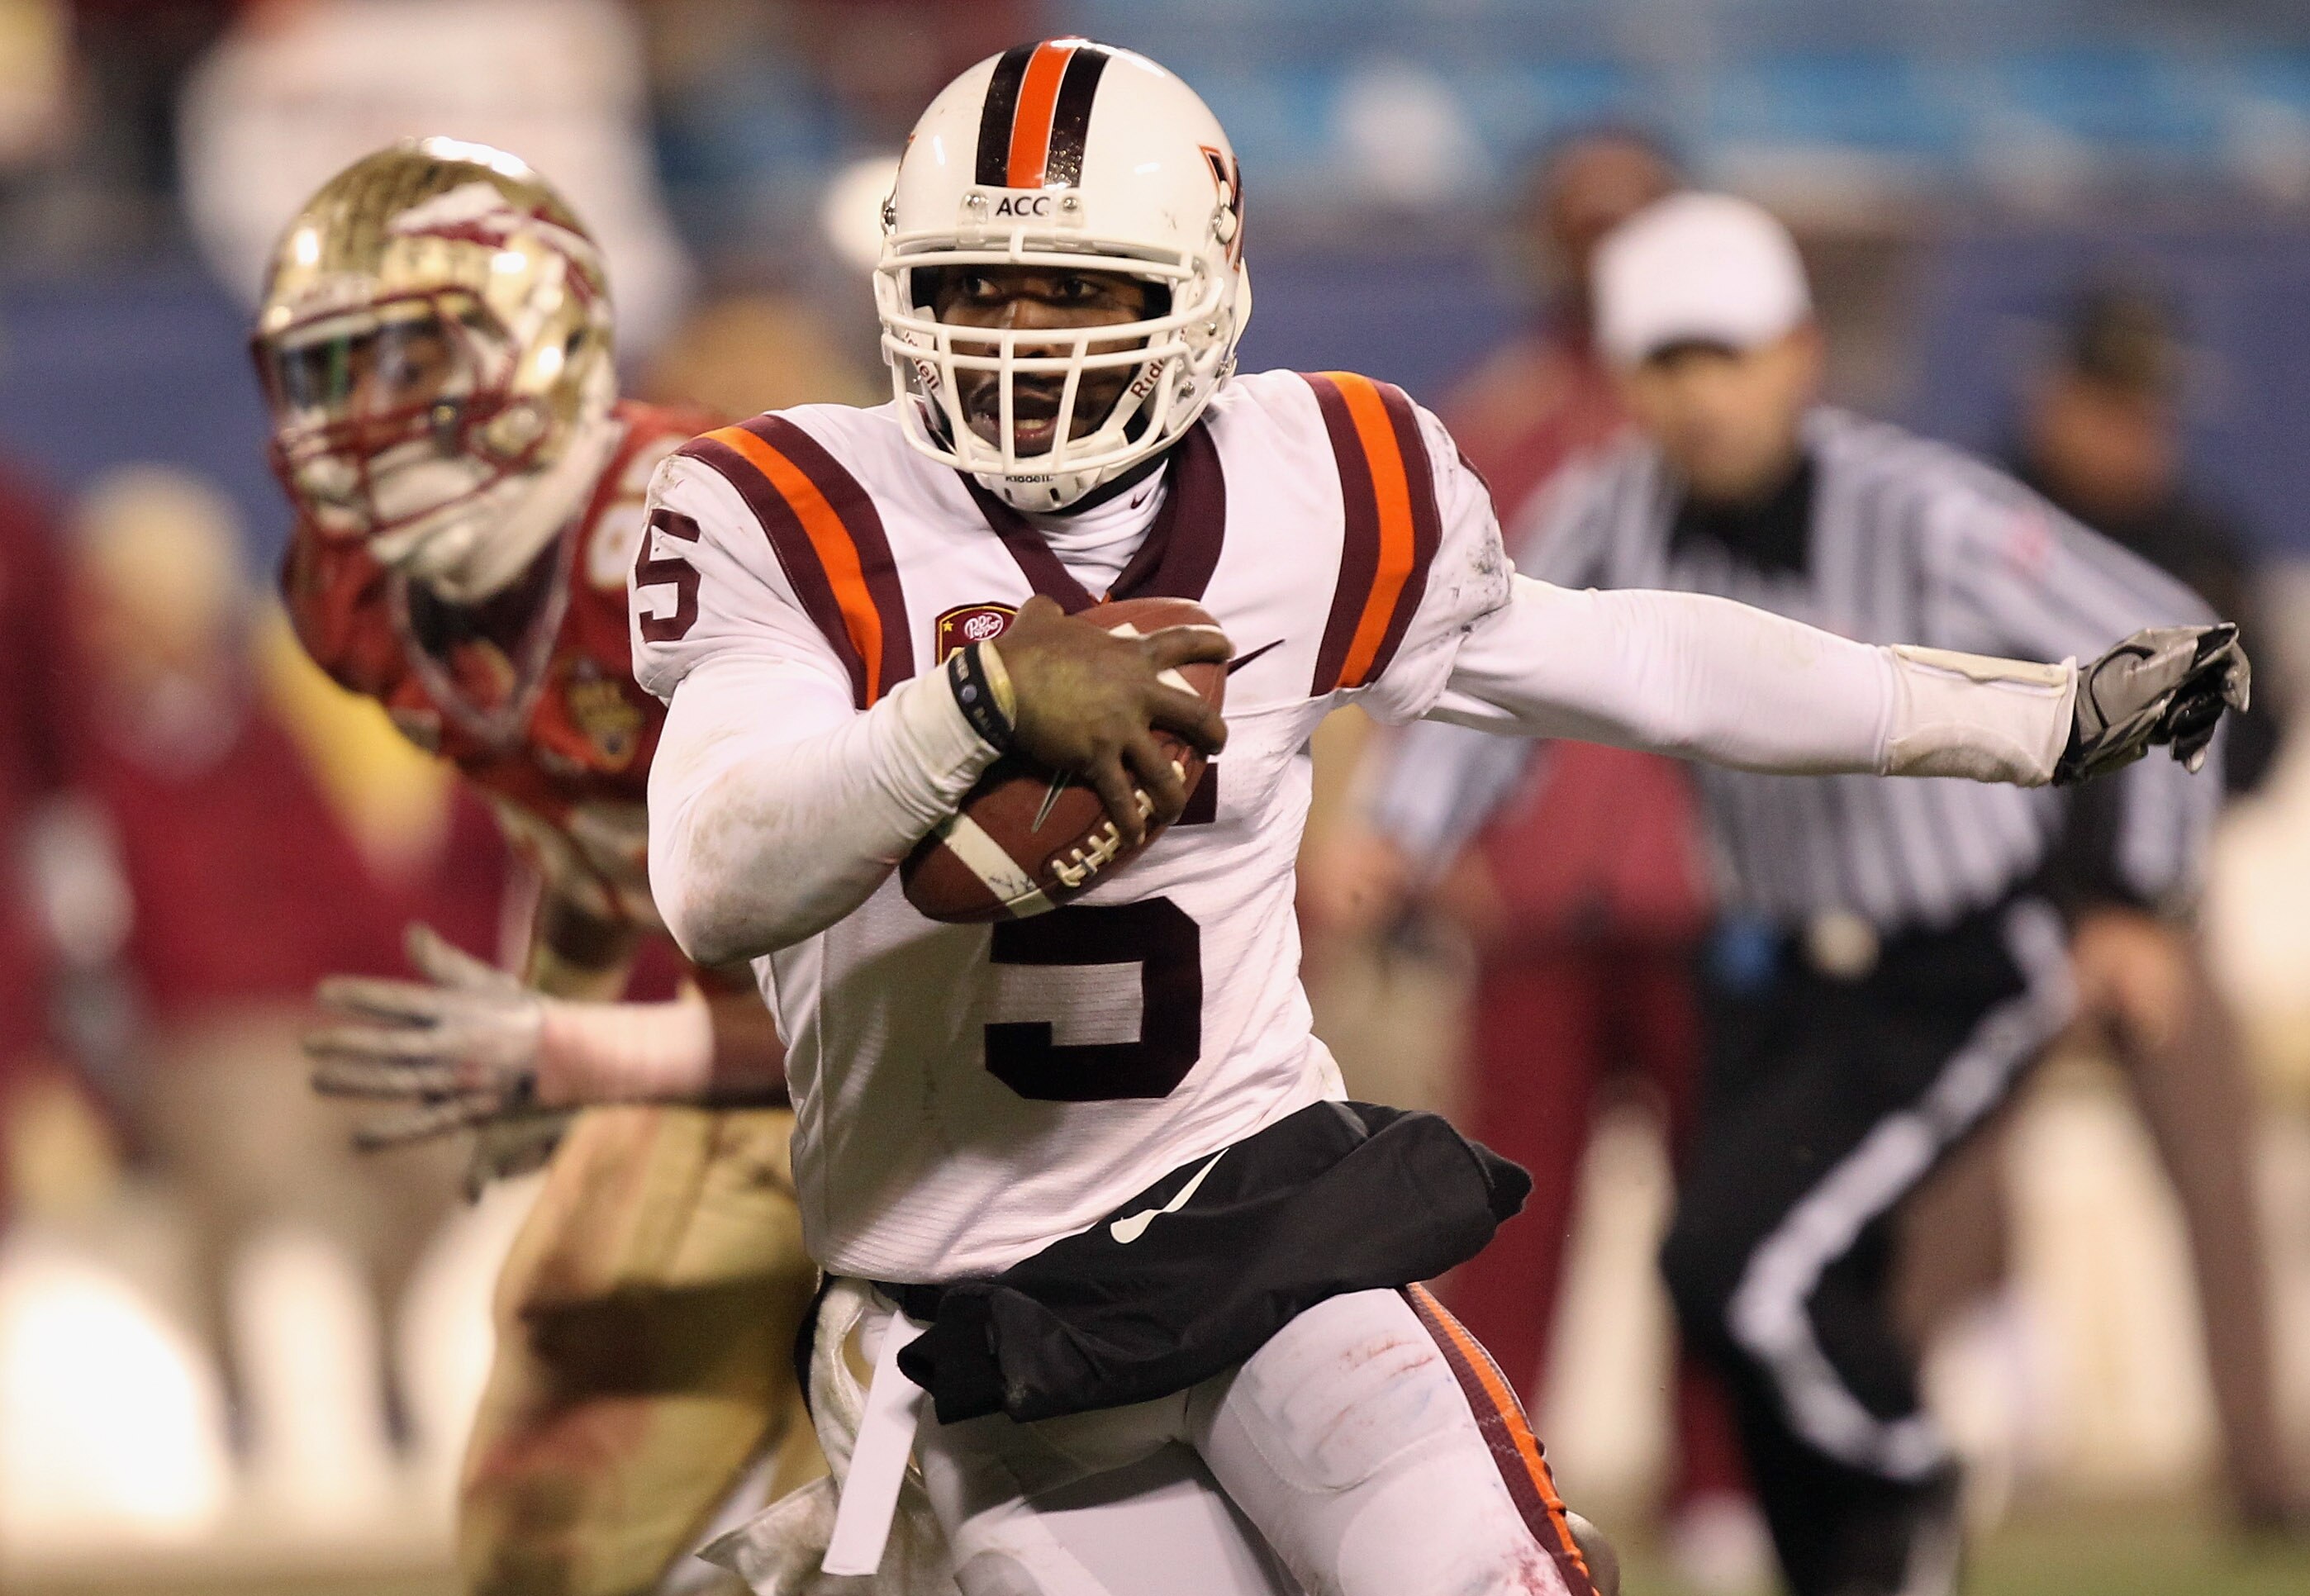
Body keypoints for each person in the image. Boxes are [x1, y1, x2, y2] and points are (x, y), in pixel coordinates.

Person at [607, 45, 2236, 1596]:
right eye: (979, 284)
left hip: (1249, 1228)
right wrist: (969, 712)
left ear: (1201, 289)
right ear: (904, 287)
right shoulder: (783, 506)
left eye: (1080, 286)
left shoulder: (1321, 477)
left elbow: (1639, 656)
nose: (1022, 337)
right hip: (968, 1308)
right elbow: (714, 874)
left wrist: (2016, 721)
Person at [1355, 192, 2241, 1596]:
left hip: (1951, 962)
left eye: (1728, 353)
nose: (1700, 396)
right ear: (1630, 381)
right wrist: (1395, 836)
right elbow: (1491, 679)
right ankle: (1853, 1561)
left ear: (1800, 353)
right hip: (1766, 969)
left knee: (1743, 1271)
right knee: (1739, 1293)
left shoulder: (1923, 511)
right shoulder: (1609, 505)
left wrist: (2141, 898)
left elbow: (2178, 659)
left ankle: (1907, 1469)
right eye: (1667, 362)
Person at [250, 140, 820, 1596]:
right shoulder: (361, 594)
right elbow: (579, 814)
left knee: (934, 1496)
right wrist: (551, 996)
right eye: (332, 378)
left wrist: (562, 1046)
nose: (357, 431)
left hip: (987, 1083)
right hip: (750, 1044)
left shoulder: (696, 553)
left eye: (409, 365)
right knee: (555, 1487)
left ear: (542, 329)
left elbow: (895, 1001)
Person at [1305, 128, 1761, 1588]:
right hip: (1538, 902)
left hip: (1710, 894)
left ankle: (1723, 1493)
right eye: (1585, 225)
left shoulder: (1742, 434)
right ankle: (1497, 1496)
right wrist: (1428, 842)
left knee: (1727, 1222)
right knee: (1510, 1225)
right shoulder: (1494, 430)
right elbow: (1403, 657)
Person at [2011, 282, 2299, 1528]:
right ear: (2058, 397)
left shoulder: (2200, 543)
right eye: (2113, 403)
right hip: (2006, 921)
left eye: (2150, 409)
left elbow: (2261, 732)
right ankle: (1881, 1461)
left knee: (2223, 1198)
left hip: (2164, 929)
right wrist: (2075, 907)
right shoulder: (1988, 527)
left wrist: (2140, 893)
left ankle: (2264, 1474)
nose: (2136, 433)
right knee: (1937, 1207)